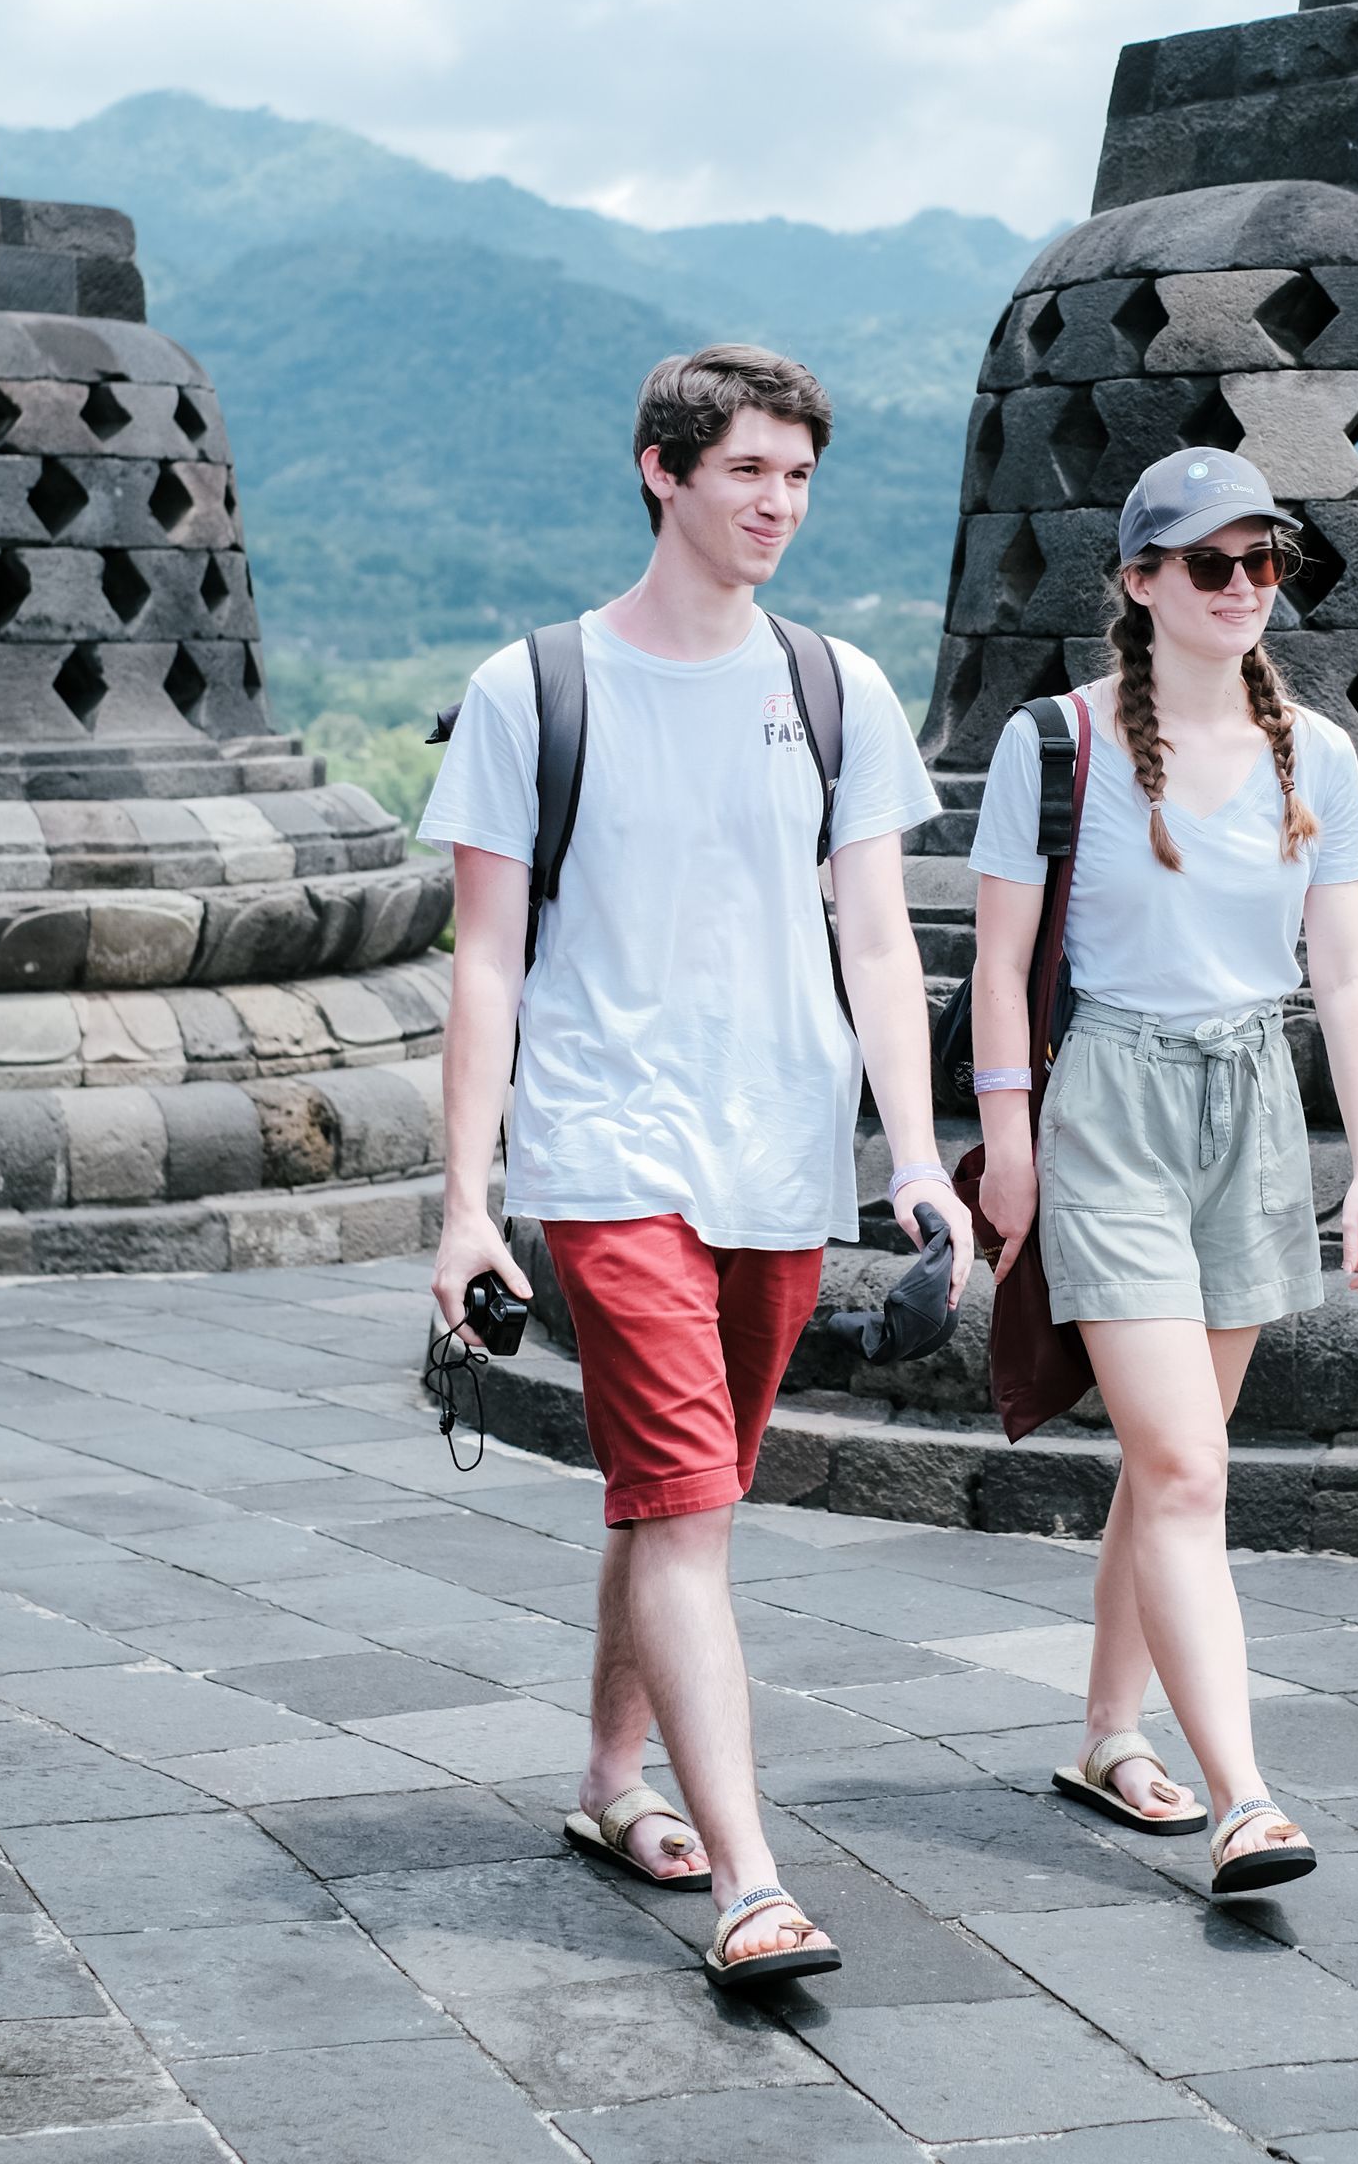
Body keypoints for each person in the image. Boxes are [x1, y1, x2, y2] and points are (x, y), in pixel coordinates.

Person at [423, 343, 971, 1993]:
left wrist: (921, 1159)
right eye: (747, 471)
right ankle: (751, 1881)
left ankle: (609, 1784)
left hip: (779, 1152)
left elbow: (878, 940)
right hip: (606, 1152)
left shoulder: (834, 688)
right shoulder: (537, 691)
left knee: (682, 1502)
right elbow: (486, 968)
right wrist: (465, 1202)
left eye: (798, 477)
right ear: (662, 470)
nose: (777, 505)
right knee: (691, 1509)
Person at [968, 445, 1358, 1897]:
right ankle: (1244, 1799)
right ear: (1140, 582)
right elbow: (1001, 963)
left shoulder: (1315, 755)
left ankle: (1106, 1735)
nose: (1240, 589)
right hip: (1111, 1106)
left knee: (1168, 1474)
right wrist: (1009, 1146)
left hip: (1253, 1103)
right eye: (1208, 564)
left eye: (1263, 562)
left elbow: (1341, 974)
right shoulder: (1056, 743)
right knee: (1186, 1465)